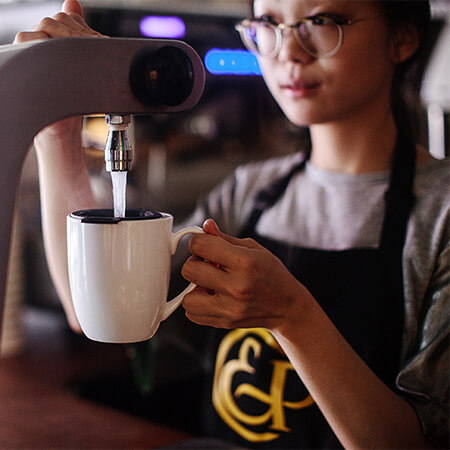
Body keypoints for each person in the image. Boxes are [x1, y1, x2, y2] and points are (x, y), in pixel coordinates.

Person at [15, 0, 449, 448]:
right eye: (269, 24)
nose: (288, 52)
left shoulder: (441, 214)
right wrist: (57, 134)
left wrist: (294, 316)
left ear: (404, 37)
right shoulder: (248, 193)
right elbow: (90, 309)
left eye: (321, 22)